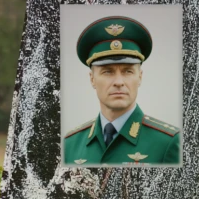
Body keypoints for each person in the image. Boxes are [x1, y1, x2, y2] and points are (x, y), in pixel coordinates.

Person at [64, 15, 180, 165]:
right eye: (107, 72)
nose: (119, 82)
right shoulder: (70, 145)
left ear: (140, 77)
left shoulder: (168, 143)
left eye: (128, 71)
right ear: (92, 79)